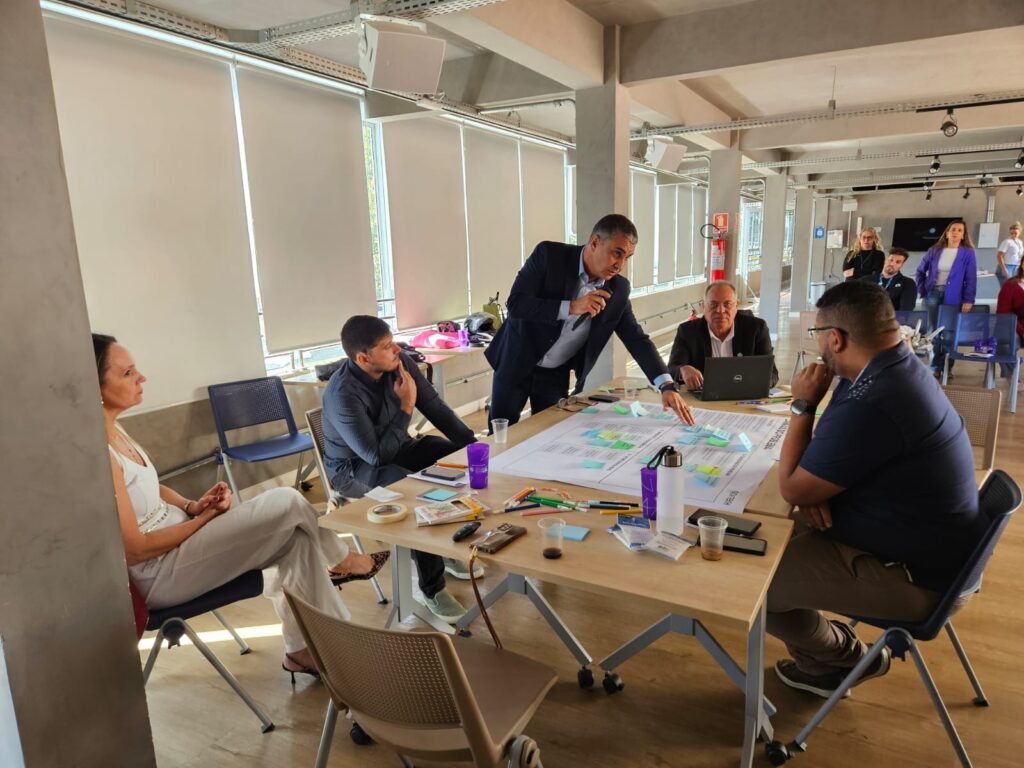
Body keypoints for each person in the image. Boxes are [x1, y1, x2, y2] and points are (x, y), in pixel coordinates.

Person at [95, 334, 387, 680]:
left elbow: (149, 485)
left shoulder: (117, 429)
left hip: (183, 541)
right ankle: (342, 562)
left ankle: (303, 650)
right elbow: (136, 550)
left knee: (296, 542)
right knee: (288, 500)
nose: (141, 377)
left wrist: (193, 505)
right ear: (94, 388)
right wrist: (203, 519)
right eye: (127, 373)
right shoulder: (99, 454)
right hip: (159, 574)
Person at [768, 281, 981, 699]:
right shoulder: (892, 368)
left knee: (758, 580)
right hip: (928, 548)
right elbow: (821, 461)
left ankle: (844, 659)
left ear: (835, 338)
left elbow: (792, 486)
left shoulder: (878, 398)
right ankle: (826, 658)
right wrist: (815, 489)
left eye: (818, 335)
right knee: (777, 532)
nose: (819, 347)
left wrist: (802, 406)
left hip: (922, 580)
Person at [322, 315, 477, 624]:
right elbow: (376, 457)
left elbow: (435, 407)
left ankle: (443, 549)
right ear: (363, 358)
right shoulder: (343, 394)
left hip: (398, 447)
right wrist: (406, 406)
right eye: (386, 346)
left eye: (393, 342)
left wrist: (473, 448)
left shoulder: (399, 362)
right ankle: (432, 588)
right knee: (413, 492)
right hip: (354, 470)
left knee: (454, 459)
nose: (397, 349)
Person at [485, 214, 694, 426]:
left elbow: (637, 339)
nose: (620, 265)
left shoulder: (618, 290)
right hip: (516, 360)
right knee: (501, 432)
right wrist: (572, 306)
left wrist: (666, 385)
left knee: (548, 430)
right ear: (594, 242)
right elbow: (517, 304)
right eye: (617, 253)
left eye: (627, 258)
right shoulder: (549, 256)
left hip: (555, 373)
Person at [666, 280, 779, 390]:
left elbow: (772, 374)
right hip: (703, 397)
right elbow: (671, 369)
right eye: (713, 304)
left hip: (744, 395)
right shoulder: (688, 331)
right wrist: (682, 370)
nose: (720, 310)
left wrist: (754, 383)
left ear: (736, 306)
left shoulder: (756, 329)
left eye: (727, 304)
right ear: (703, 306)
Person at [915, 219, 976, 375]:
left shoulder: (968, 253)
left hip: (954, 297)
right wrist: (923, 291)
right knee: (933, 332)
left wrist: (968, 299)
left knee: (949, 332)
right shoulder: (934, 250)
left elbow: (971, 278)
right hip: (932, 294)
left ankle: (947, 367)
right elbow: (920, 271)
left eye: (959, 230)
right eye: (953, 229)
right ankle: (935, 367)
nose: (955, 232)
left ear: (963, 235)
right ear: (947, 233)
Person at [996, 261, 1024, 386]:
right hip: (1014, 327)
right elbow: (1004, 314)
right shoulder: (1010, 285)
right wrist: (1022, 330)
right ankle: (1012, 375)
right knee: (1004, 340)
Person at [995, 221, 1023, 288]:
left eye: (1015, 233)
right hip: (1006, 266)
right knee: (1007, 288)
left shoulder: (1020, 242)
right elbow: (999, 255)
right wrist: (1004, 269)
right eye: (1011, 233)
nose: (1013, 235)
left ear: (1019, 232)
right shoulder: (1007, 242)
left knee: (1014, 288)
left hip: (1016, 266)